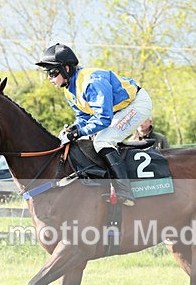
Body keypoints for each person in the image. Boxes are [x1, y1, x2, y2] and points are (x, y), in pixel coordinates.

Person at [36, 43, 153, 206]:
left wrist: (78, 132)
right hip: (119, 110)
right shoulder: (69, 90)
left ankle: (125, 190)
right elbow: (83, 117)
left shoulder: (91, 82)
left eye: (52, 72)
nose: (49, 78)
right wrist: (74, 129)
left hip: (136, 104)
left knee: (103, 140)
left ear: (67, 69)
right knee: (87, 140)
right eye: (48, 73)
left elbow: (103, 119)